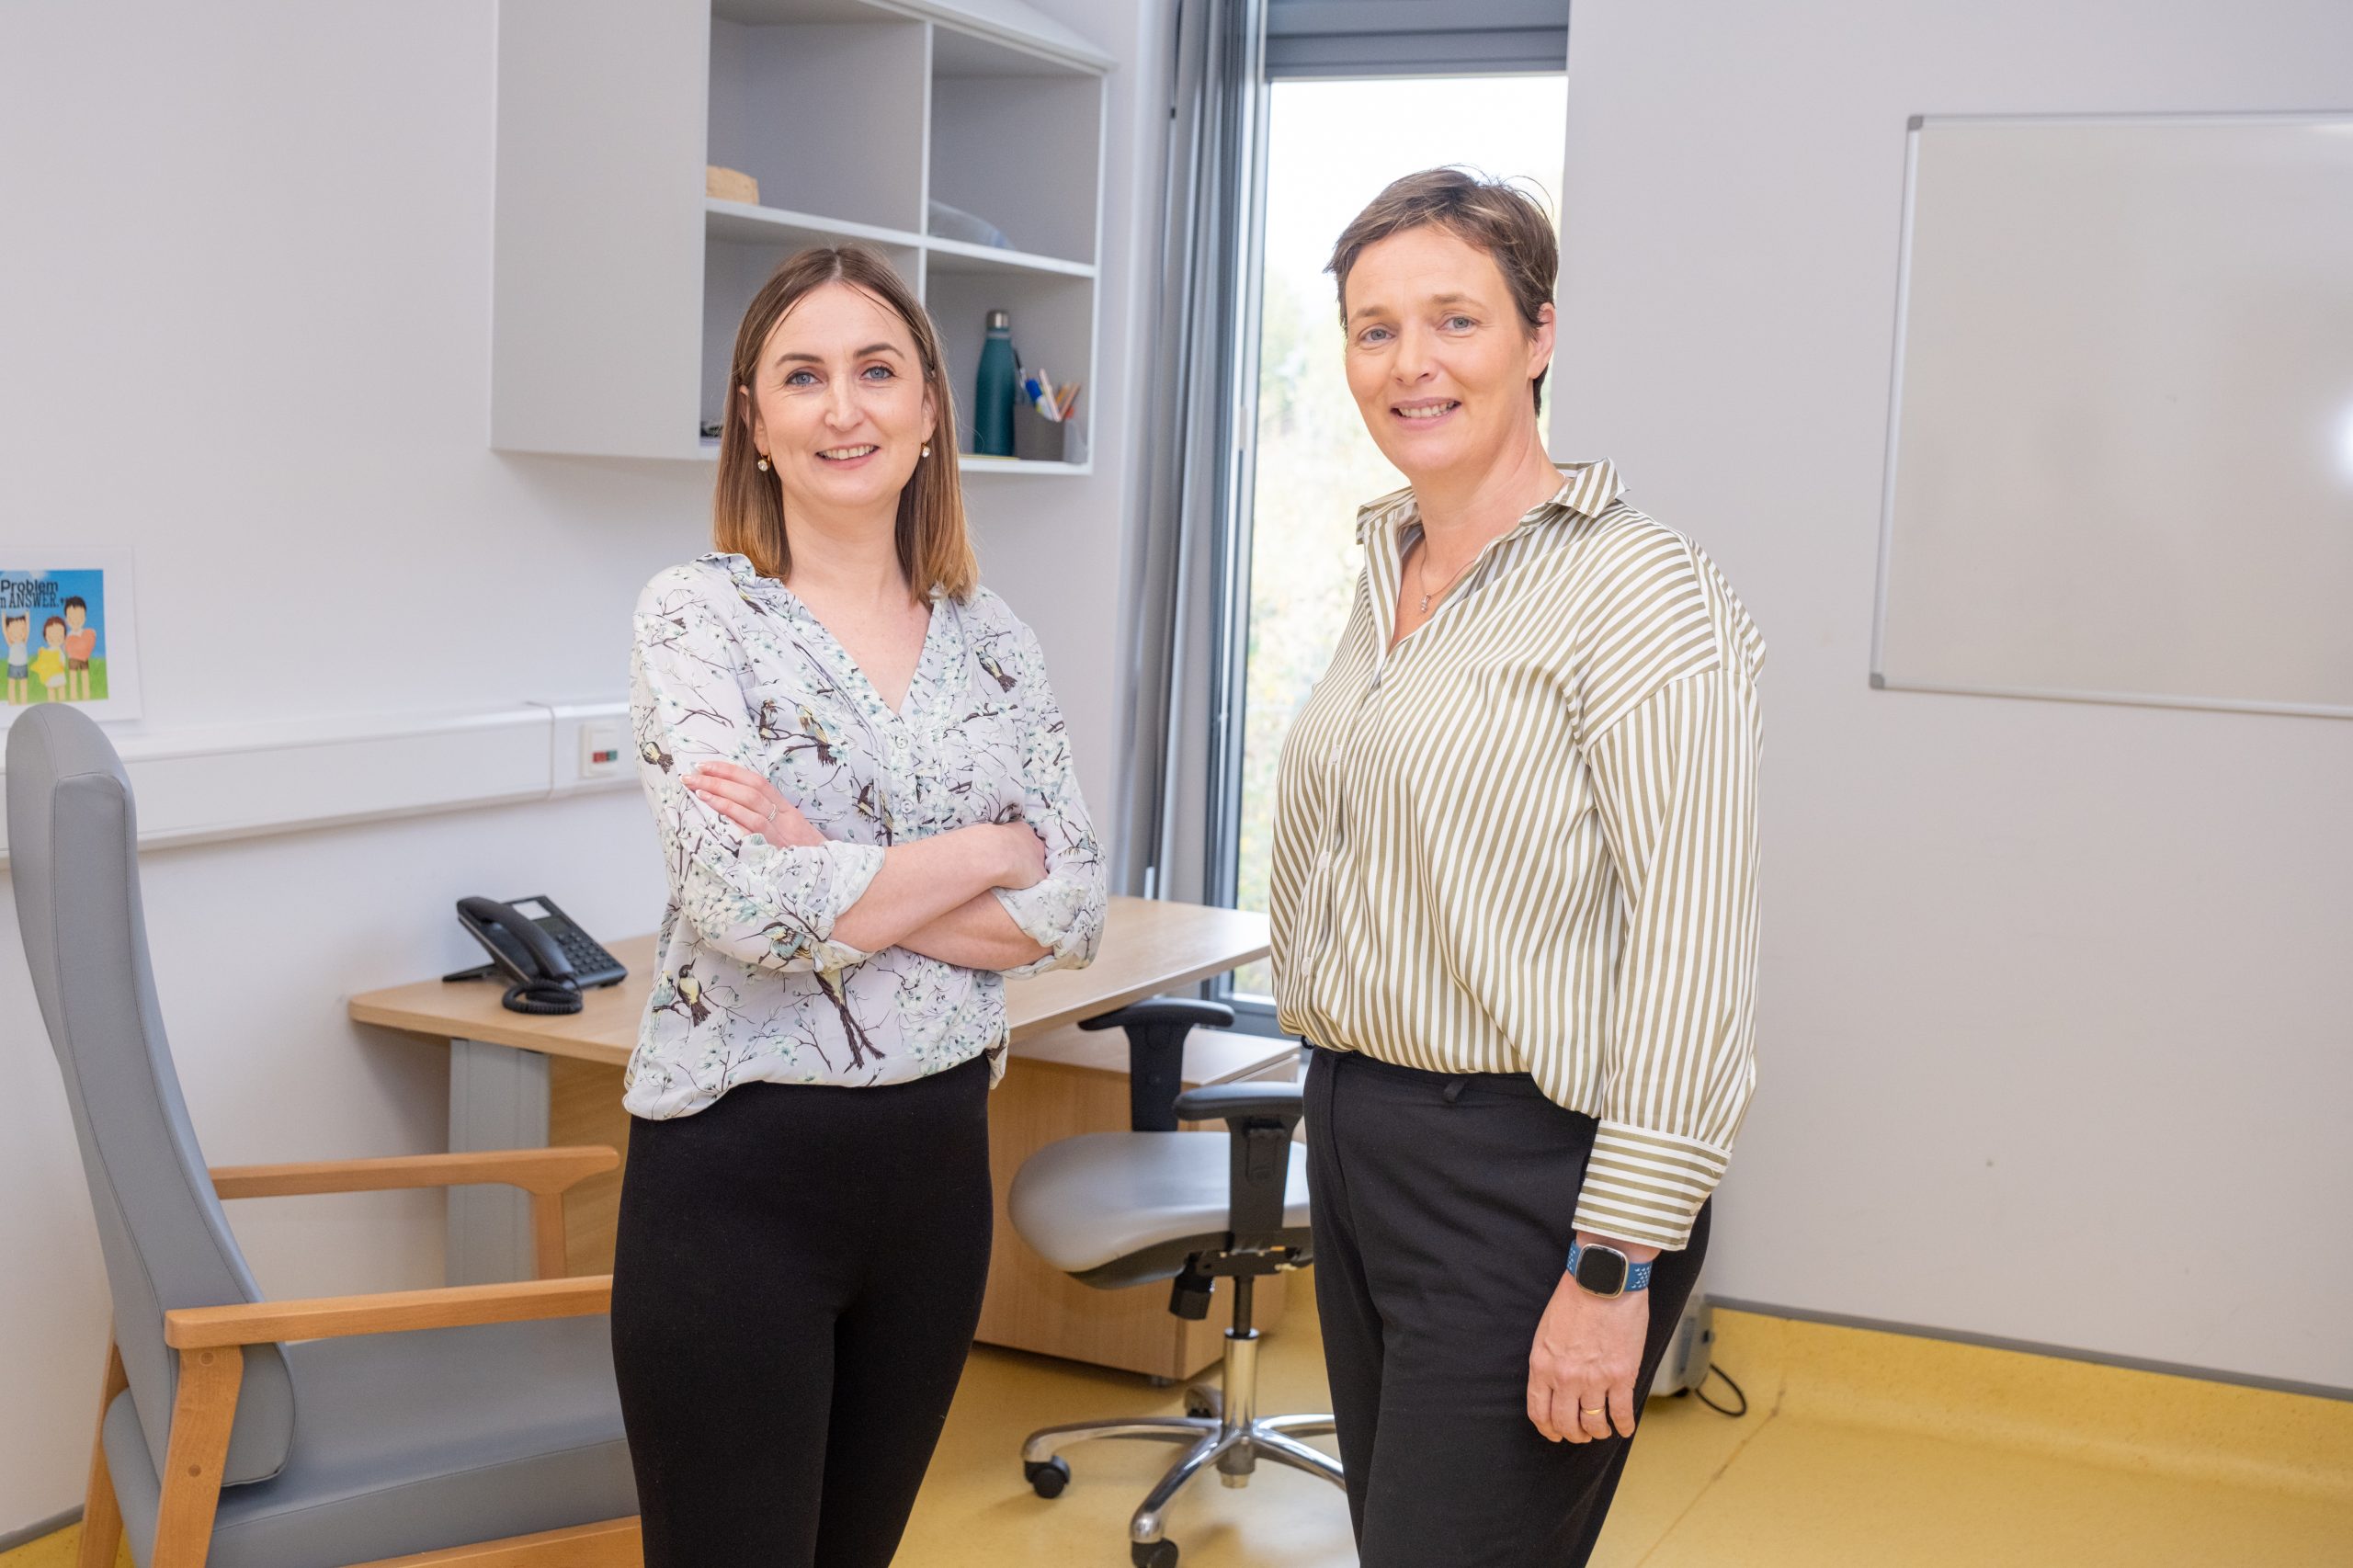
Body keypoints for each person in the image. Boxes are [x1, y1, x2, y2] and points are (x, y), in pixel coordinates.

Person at [1269, 168, 1767, 1565]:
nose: (1410, 364)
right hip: (1363, 1142)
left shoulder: (1640, 590)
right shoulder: (1388, 576)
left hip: (1529, 1181)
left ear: (1539, 336)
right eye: (1374, 329)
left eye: (1454, 320)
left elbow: (1691, 953)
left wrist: (1615, 1263)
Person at [609, 242, 1108, 1568]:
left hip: (937, 1181)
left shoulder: (993, 636)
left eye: (878, 370)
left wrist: (830, 859)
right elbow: (739, 907)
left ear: (931, 408)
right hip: (736, 1185)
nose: (845, 407)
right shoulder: (698, 617)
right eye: (804, 376)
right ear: (755, 421)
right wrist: (989, 844)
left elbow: (1072, 908)